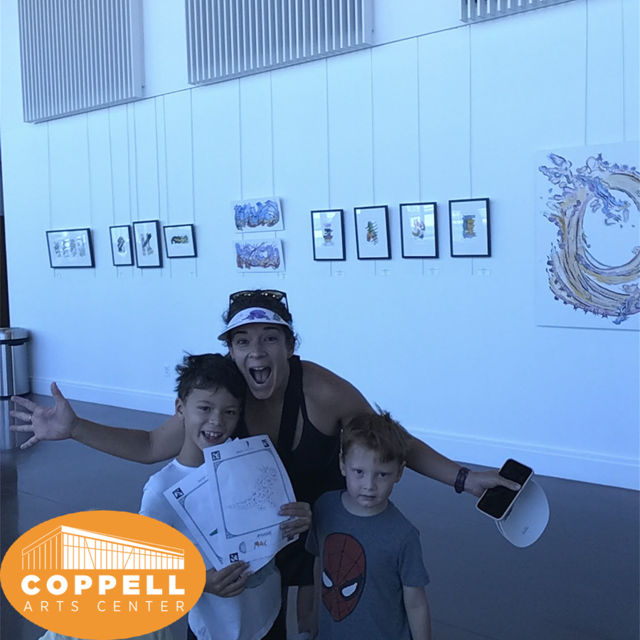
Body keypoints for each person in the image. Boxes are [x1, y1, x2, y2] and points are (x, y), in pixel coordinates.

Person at [10, 289, 518, 635]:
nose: (257, 350)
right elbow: (148, 445)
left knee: (329, 624)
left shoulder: (320, 390)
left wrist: (462, 477)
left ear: (289, 347)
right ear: (232, 351)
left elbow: (387, 439)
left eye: (270, 338)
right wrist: (74, 428)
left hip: (317, 528)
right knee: (253, 620)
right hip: (255, 542)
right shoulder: (224, 400)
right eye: (243, 340)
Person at [138, 353, 309, 640]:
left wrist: (298, 519)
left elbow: (279, 525)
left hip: (269, 615)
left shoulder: (254, 462)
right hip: (214, 629)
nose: (216, 421)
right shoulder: (161, 489)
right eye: (205, 408)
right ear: (180, 408)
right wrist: (200, 582)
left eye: (229, 412)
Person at [306, 410, 431, 640]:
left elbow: (415, 602)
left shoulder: (404, 535)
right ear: (343, 464)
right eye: (359, 472)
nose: (369, 485)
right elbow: (319, 566)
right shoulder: (324, 508)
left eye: (382, 474)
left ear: (399, 473)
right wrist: (313, 619)